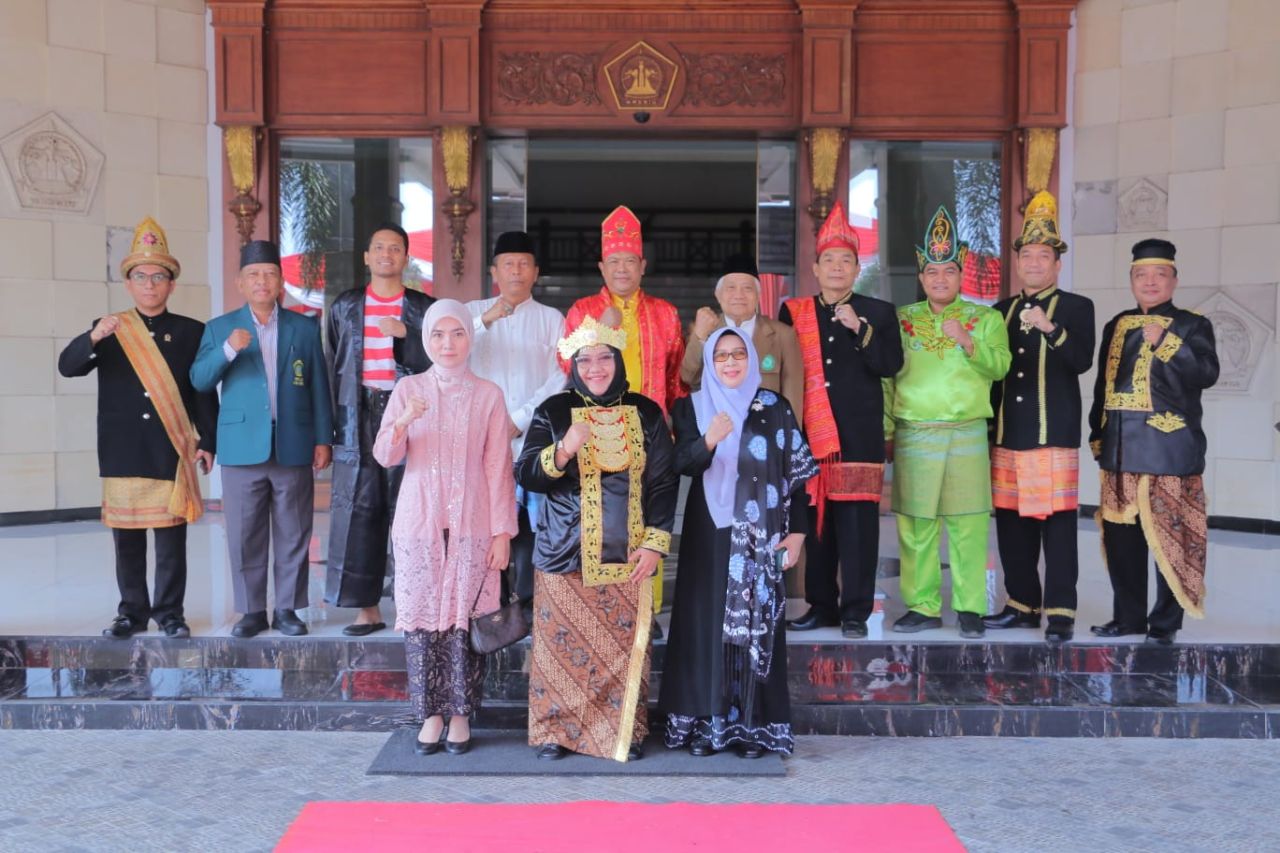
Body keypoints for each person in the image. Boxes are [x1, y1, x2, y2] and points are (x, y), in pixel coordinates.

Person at [516, 315, 678, 763]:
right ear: (573, 365)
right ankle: (555, 731)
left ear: (618, 361)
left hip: (627, 552)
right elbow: (526, 474)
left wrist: (654, 542)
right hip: (563, 552)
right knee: (559, 649)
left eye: (604, 358)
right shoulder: (553, 410)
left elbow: (663, 482)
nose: (595, 368)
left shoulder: (646, 411)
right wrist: (563, 449)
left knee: (623, 649)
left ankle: (625, 725)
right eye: (585, 361)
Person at [57, 217, 218, 639]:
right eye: (141, 277)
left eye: (158, 277)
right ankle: (130, 612)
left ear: (171, 284)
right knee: (127, 543)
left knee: (170, 544)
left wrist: (208, 439)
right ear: (128, 283)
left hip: (169, 449)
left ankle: (170, 614)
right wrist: (93, 337)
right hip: (123, 450)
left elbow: (202, 391)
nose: (149, 284)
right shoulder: (110, 328)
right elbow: (68, 367)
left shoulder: (191, 332)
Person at [659, 329, 817, 758]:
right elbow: (680, 466)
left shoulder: (774, 407)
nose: (730, 363)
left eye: (738, 355)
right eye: (722, 356)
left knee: (755, 626)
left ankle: (752, 728)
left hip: (762, 535)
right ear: (710, 362)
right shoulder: (690, 407)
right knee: (705, 624)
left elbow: (797, 476)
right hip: (709, 530)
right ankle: (707, 725)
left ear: (751, 360)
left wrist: (798, 533)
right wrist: (708, 439)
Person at [372, 299, 517, 755]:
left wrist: (502, 534)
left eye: (456, 334)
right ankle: (429, 715)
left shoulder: (489, 394)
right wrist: (404, 420)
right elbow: (384, 456)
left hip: (472, 522)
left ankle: (460, 716)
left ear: (469, 339)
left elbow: (498, 466)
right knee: (423, 625)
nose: (447, 343)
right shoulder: (408, 389)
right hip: (419, 523)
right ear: (425, 340)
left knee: (462, 623)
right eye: (438, 335)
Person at [190, 240, 333, 638]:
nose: (262, 280)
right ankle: (251, 610)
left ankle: (288, 609)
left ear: (281, 281)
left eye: (270, 273)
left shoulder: (303, 327)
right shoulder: (220, 328)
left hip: (293, 442)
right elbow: (200, 380)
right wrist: (227, 351)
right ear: (240, 282)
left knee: (294, 530)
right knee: (244, 531)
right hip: (240, 446)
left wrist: (323, 438)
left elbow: (318, 385)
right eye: (254, 274)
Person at [781, 202, 903, 638]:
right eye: (828, 260)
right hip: (810, 435)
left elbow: (890, 364)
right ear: (815, 268)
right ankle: (820, 606)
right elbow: (785, 368)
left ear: (856, 268)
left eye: (845, 261)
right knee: (817, 526)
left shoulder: (880, 312)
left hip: (858, 437)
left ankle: (855, 611)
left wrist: (861, 329)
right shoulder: (793, 313)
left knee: (858, 528)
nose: (836, 267)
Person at [888, 205, 1010, 639]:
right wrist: (887, 428)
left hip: (966, 433)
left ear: (962, 276)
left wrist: (967, 341)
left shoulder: (987, 319)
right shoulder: (901, 320)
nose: (940, 279)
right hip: (915, 432)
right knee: (916, 524)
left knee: (968, 522)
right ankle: (921, 605)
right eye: (932, 272)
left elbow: (1000, 367)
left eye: (949, 272)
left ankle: (970, 606)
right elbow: (887, 377)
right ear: (921, 277)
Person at [1088, 239, 1218, 645]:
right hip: (1120, 448)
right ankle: (1127, 618)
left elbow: (1206, 374)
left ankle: (1164, 624)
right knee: (1122, 540)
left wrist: (1167, 343)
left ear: (1174, 281)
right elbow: (1102, 387)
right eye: (1141, 275)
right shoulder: (1116, 323)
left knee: (1169, 538)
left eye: (1159, 274)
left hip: (1168, 449)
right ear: (1131, 281)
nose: (1150, 282)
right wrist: (1097, 431)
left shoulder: (1193, 324)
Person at [562, 205, 685, 621]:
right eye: (613, 262)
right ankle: (603, 609)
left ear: (643, 265)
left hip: (651, 433)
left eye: (629, 261)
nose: (621, 269)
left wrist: (673, 428)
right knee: (604, 523)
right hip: (597, 437)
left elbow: (676, 379)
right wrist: (604, 324)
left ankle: (647, 612)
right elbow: (568, 367)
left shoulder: (666, 313)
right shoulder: (581, 310)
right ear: (601, 265)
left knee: (653, 519)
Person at [985, 192, 1095, 643]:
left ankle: (1062, 611)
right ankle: (1021, 603)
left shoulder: (1075, 307)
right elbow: (992, 374)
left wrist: (1050, 328)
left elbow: (1082, 360)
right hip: (1010, 432)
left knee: (1057, 524)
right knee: (1012, 522)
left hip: (1053, 433)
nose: (1033, 263)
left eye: (1042, 256)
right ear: (1017, 262)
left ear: (1057, 264)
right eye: (1026, 255)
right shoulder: (1001, 310)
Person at [324, 222, 435, 636]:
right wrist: (328, 432)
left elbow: (441, 361)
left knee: (413, 510)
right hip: (359, 414)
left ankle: (414, 604)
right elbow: (331, 365)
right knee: (359, 508)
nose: (387, 255)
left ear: (407, 258)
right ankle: (366, 608)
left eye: (395, 248)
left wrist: (408, 335)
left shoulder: (424, 308)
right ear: (367, 257)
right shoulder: (345, 306)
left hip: (411, 414)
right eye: (378, 248)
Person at [466, 231, 566, 613]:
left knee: (528, 523)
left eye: (524, 264)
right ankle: (485, 602)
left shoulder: (551, 319)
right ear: (494, 271)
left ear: (536, 272)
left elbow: (560, 376)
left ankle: (526, 602)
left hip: (531, 438)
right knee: (484, 521)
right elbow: (448, 352)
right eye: (508, 264)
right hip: (481, 439)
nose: (516, 271)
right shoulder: (471, 312)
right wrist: (485, 320)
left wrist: (520, 419)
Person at [681, 252, 805, 421]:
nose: (739, 295)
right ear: (718, 295)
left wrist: (789, 439)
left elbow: (793, 397)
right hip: (718, 433)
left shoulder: (783, 336)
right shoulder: (706, 331)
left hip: (766, 435)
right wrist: (700, 336)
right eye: (731, 288)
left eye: (747, 288)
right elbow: (689, 378)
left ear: (759, 295)